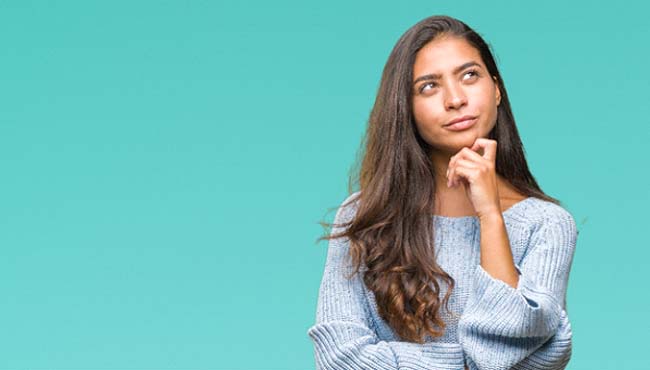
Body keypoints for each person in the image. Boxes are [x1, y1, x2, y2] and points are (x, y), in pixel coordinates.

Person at [306, 15, 579, 370]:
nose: (455, 99)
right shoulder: (364, 215)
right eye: (429, 86)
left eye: (469, 75)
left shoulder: (547, 225)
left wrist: (490, 216)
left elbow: (527, 349)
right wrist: (474, 361)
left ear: (496, 89)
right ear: (407, 108)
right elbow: (339, 359)